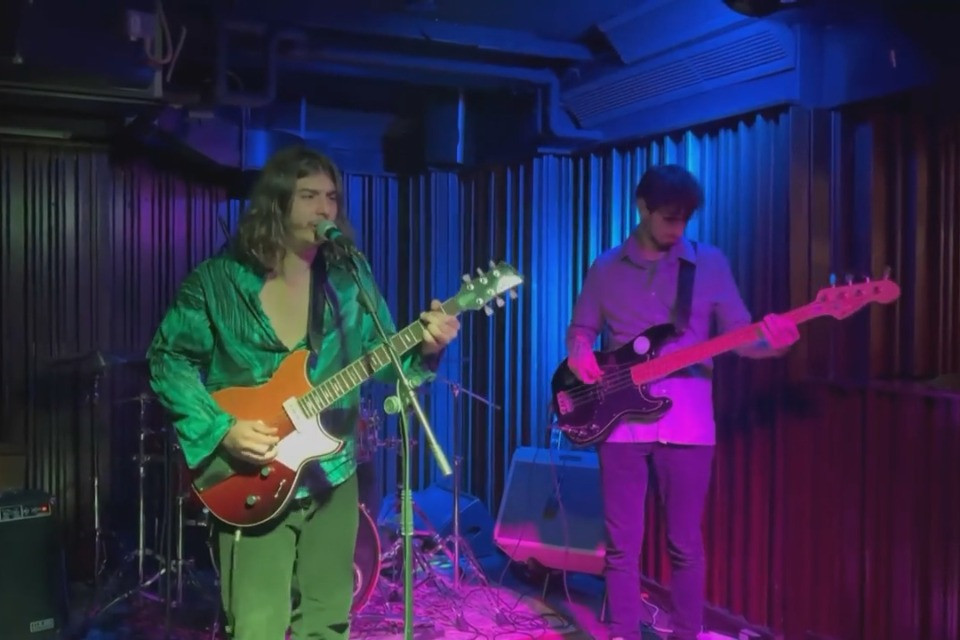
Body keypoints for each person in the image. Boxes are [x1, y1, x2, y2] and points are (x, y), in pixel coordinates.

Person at [147, 146, 460, 639]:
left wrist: (427, 346)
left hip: (331, 473)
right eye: (309, 195)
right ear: (277, 202)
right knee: (257, 626)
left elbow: (385, 361)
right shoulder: (218, 281)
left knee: (328, 619)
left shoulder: (349, 278)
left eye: (332, 197)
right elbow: (168, 360)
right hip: (248, 473)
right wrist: (222, 429)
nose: (324, 209)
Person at [564, 164, 799, 640]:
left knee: (686, 545)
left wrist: (777, 342)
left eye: (685, 219)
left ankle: (686, 633)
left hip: (689, 423)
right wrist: (579, 352)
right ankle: (624, 633)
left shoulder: (708, 264)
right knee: (621, 548)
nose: (678, 229)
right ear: (642, 208)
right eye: (669, 218)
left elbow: (741, 337)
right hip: (620, 422)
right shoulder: (605, 268)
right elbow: (581, 329)